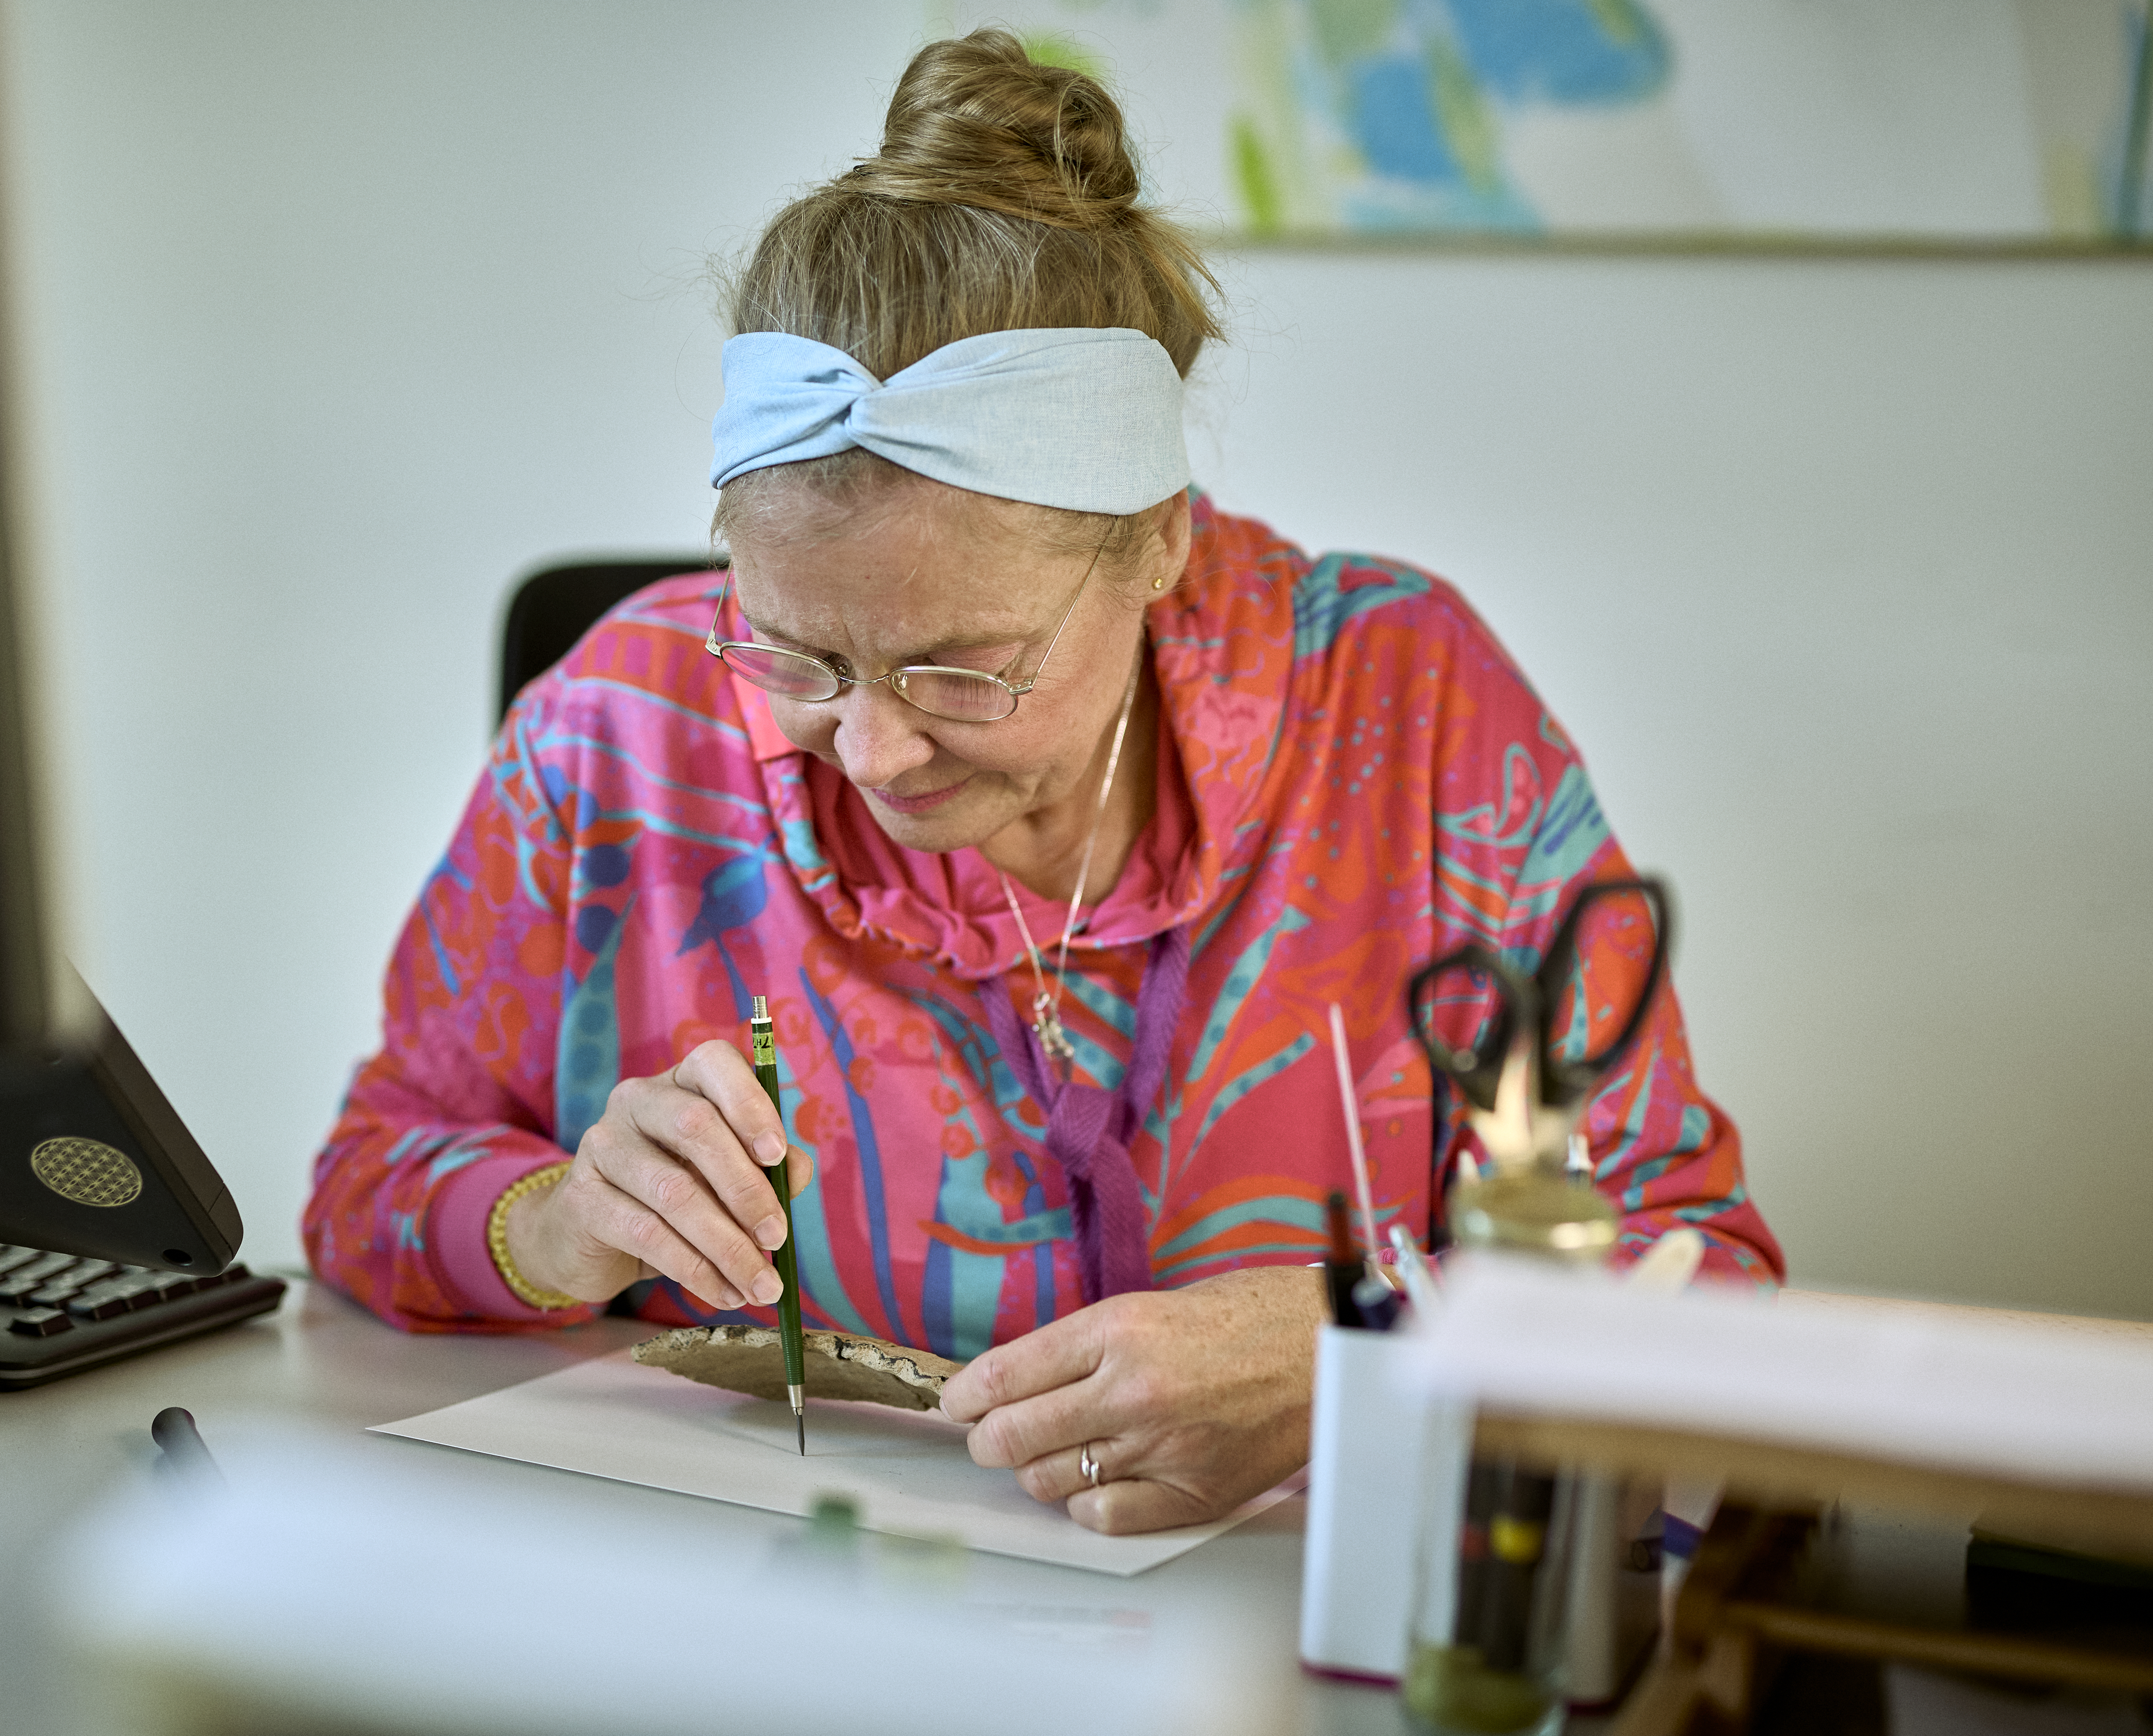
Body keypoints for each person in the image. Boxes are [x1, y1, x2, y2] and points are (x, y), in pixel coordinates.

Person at [304, 30, 1781, 1535]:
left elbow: (1698, 1274)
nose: (871, 752)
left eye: (964, 669)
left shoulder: (1408, 711)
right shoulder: (619, 728)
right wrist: (556, 1223)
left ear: (1159, 541)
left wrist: (1372, 1350)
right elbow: (368, 1178)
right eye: (799, 655)